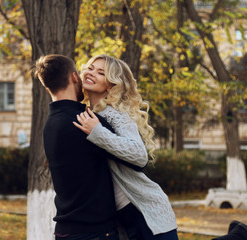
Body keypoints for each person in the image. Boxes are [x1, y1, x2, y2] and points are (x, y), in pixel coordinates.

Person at [33, 54, 143, 240]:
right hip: (94, 231)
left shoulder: (50, 124)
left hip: (64, 231)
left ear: (46, 86)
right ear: (75, 77)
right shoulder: (86, 122)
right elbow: (138, 160)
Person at [72, 54, 178, 240]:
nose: (91, 73)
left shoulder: (115, 116)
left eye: (100, 72)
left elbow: (139, 155)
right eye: (90, 68)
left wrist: (97, 132)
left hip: (144, 211)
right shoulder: (86, 114)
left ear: (111, 85)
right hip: (119, 217)